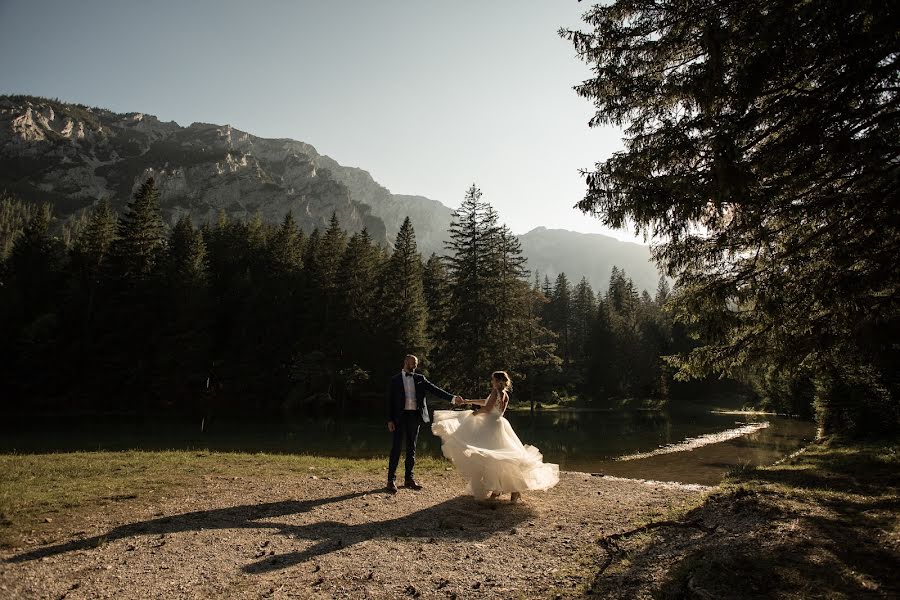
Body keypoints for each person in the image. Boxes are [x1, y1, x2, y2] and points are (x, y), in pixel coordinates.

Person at [432, 371, 559, 502]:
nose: (491, 382)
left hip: (490, 425)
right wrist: (469, 401)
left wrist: (474, 414)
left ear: (498, 381)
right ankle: (512, 491)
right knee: (503, 459)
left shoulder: (495, 392)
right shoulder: (505, 394)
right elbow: (487, 403)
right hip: (500, 423)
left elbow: (487, 408)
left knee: (492, 458)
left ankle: (498, 490)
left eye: (493, 380)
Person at [386, 354, 462, 493]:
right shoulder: (395, 380)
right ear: (405, 362)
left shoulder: (420, 379)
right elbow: (390, 401)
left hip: (415, 416)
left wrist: (452, 398)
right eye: (412, 363)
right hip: (399, 417)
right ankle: (391, 480)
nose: (414, 366)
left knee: (412, 448)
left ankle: (409, 478)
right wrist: (390, 420)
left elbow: (435, 390)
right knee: (396, 448)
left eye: (415, 363)